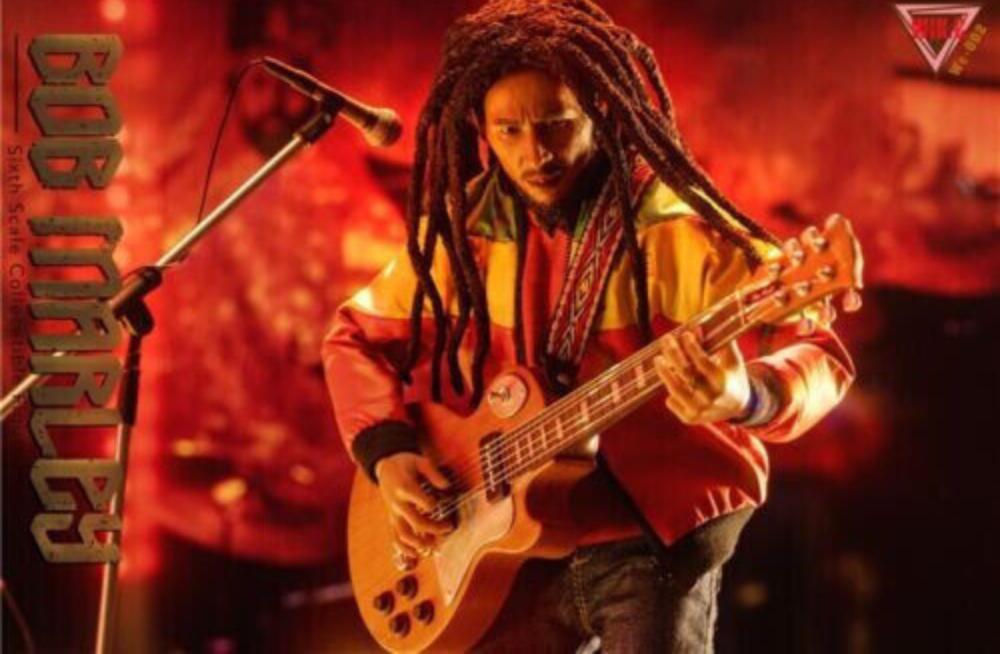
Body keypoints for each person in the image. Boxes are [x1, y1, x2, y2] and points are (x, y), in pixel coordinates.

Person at [322, 1, 855, 651]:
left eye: (556, 125)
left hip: (653, 538)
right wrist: (388, 455)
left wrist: (747, 398)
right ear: (480, 128)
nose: (535, 153)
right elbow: (353, 337)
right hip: (512, 547)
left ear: (599, 113)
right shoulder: (464, 233)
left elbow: (818, 351)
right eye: (509, 131)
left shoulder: (683, 226)